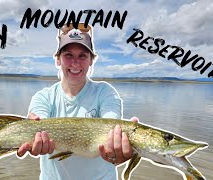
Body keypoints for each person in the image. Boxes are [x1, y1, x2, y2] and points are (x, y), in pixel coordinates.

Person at [16, 23, 139, 180]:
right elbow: (37, 119)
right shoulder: (44, 97)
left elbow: (112, 124)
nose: (75, 63)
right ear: (58, 60)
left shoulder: (106, 93)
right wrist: (33, 124)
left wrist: (118, 143)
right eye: (68, 55)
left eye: (82, 55)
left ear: (91, 61)